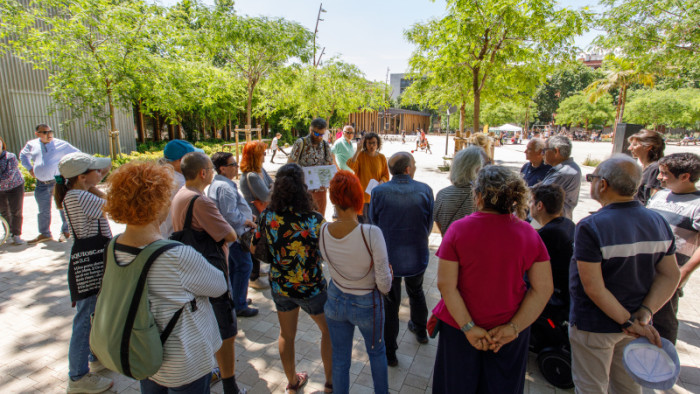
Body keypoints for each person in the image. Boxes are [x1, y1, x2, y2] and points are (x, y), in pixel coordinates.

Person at [104, 161, 228, 394]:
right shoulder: (176, 255)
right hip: (183, 359)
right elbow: (219, 285)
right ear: (159, 203)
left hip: (143, 353)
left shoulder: (113, 246)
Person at [431, 165, 552, 393]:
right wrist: (513, 329)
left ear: (478, 196)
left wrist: (469, 327)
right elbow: (543, 289)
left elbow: (446, 285)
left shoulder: (458, 230)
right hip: (508, 332)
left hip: (459, 329)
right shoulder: (529, 234)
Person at [569, 155, 681, 394]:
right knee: (628, 386)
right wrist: (644, 314)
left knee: (591, 387)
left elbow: (593, 288)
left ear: (603, 184)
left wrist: (629, 321)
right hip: (636, 322)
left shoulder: (591, 226)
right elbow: (671, 275)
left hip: (595, 325)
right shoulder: (657, 221)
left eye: (593, 177)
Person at [252, 163, 332, 393]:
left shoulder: (267, 215)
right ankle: (329, 384)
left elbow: (254, 247)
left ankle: (292, 383)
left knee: (286, 335)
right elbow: (327, 251)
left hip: (281, 285)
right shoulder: (314, 219)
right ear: (302, 187)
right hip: (312, 287)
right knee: (328, 332)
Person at [170, 152, 243, 394]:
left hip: (192, 269)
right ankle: (230, 385)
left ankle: (210, 371)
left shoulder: (181, 194)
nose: (212, 173)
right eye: (210, 169)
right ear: (203, 173)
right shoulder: (200, 201)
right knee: (226, 331)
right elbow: (229, 234)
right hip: (210, 272)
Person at [320, 170, 393, 394]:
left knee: (340, 358)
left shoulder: (323, 230)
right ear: (358, 198)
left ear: (333, 198)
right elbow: (384, 285)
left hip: (335, 300)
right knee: (377, 352)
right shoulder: (371, 232)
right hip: (367, 303)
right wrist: (389, 273)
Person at [55, 152, 114, 393]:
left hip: (91, 258)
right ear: (81, 177)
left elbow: (106, 168)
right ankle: (78, 376)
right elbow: (116, 207)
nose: (101, 173)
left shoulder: (77, 193)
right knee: (85, 315)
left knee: (93, 312)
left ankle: (94, 357)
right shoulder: (80, 195)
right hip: (90, 261)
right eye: (95, 171)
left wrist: (96, 181)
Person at [369, 152, 433, 366]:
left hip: (389, 257)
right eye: (413, 164)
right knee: (417, 292)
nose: (414, 167)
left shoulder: (378, 192)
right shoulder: (425, 190)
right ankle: (421, 330)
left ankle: (390, 352)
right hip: (416, 254)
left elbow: (374, 224)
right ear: (407, 169)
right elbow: (429, 223)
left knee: (390, 303)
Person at [647, 153, 700, 344]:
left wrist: (683, 272)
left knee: (663, 321)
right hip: (645, 267)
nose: (659, 177)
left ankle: (664, 363)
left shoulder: (697, 204)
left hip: (669, 273)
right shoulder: (660, 195)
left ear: (685, 176)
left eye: (665, 174)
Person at [209, 152, 259, 318]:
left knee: (235, 268)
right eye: (233, 165)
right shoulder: (223, 187)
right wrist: (247, 222)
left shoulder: (222, 184)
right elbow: (230, 214)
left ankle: (237, 297)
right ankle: (239, 304)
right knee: (244, 267)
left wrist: (246, 216)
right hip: (235, 236)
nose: (237, 167)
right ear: (222, 169)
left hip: (230, 235)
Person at [19, 123, 79, 243]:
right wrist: (30, 168)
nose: (49, 134)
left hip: (58, 179)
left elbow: (77, 154)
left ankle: (66, 232)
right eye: (45, 132)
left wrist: (68, 170)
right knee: (43, 209)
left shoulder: (61, 144)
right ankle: (45, 233)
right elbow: (23, 155)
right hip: (41, 182)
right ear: (37, 134)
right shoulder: (32, 144)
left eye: (50, 131)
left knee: (62, 206)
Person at [529, 183, 575, 303]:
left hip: (555, 297)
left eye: (531, 202)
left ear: (539, 205)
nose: (529, 206)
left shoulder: (547, 234)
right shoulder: (567, 224)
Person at [239, 141, 273, 290]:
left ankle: (258, 270)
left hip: (261, 213)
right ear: (255, 156)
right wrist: (272, 189)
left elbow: (272, 185)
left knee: (261, 242)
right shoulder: (251, 175)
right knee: (256, 242)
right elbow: (266, 195)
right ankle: (254, 277)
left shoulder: (260, 170)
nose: (265, 156)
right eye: (262, 153)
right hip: (255, 215)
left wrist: (272, 189)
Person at [288, 118, 334, 217]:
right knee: (303, 220)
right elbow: (289, 166)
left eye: (322, 134)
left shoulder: (325, 145)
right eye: (316, 134)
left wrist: (326, 181)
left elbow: (328, 166)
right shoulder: (301, 143)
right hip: (304, 191)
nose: (319, 137)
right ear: (310, 129)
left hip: (320, 191)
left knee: (319, 219)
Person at [434, 146, 483, 236]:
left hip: (449, 246)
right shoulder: (480, 196)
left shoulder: (442, 194)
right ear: (476, 168)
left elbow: (440, 225)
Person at [160, 139, 204, 237]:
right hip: (177, 239)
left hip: (163, 235)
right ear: (180, 161)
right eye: (193, 159)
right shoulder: (181, 183)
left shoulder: (161, 176)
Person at [346, 132, 389, 222]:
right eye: (369, 143)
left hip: (376, 195)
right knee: (363, 222)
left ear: (378, 144)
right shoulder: (361, 155)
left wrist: (382, 181)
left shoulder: (381, 157)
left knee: (375, 221)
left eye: (374, 143)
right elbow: (351, 165)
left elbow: (386, 175)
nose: (372, 146)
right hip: (363, 196)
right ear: (365, 144)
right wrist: (357, 150)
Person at [540, 135, 581, 220]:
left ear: (556, 151)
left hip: (553, 222)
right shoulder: (564, 168)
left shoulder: (564, 172)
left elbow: (539, 195)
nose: (542, 154)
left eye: (544, 150)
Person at [628, 129, 665, 205]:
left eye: (634, 145)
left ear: (648, 147)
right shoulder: (642, 167)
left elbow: (652, 200)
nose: (629, 148)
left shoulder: (655, 169)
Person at [0, 135, 26, 245]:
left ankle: (17, 234)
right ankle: (8, 233)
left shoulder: (10, 156)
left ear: (2, 143)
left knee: (16, 211)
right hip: (0, 189)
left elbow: (8, 175)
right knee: (3, 211)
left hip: (15, 187)